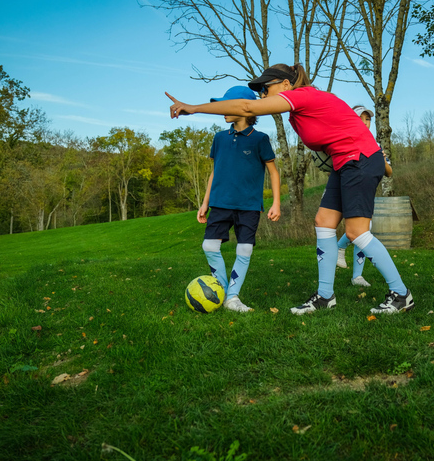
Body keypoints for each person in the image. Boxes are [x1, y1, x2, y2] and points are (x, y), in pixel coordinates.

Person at [167, 64, 414, 315]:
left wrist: (194, 107)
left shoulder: (303, 95)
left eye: (266, 87)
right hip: (345, 163)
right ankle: (325, 296)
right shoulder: (298, 113)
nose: (262, 94)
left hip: (358, 160)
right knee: (324, 222)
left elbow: (246, 107)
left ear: (286, 85)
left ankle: (401, 294)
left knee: (356, 232)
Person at [196, 86, 281, 313]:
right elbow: (215, 171)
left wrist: (276, 203)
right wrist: (205, 203)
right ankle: (223, 290)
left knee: (244, 250)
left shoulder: (260, 139)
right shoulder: (219, 138)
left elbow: (273, 172)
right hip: (220, 203)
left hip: (249, 206)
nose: (222, 110)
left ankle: (232, 298)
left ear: (243, 107)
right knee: (209, 246)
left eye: (227, 105)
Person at [335, 105, 393, 288]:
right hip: (349, 188)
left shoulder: (375, 145)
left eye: (368, 119)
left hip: (367, 191)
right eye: (361, 118)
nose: (365, 122)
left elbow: (390, 172)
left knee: (363, 230)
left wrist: (381, 159)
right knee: (362, 229)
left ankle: (357, 275)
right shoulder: (345, 140)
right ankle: (340, 248)